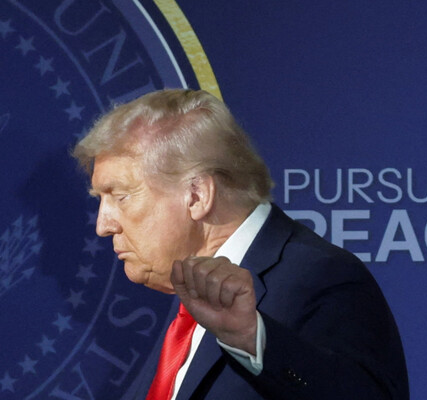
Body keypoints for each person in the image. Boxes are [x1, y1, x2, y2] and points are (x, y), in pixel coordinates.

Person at [73, 89, 409, 399]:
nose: (103, 225)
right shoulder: (189, 309)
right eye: (101, 200)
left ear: (197, 196)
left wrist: (252, 338)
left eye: (120, 196)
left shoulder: (322, 278)